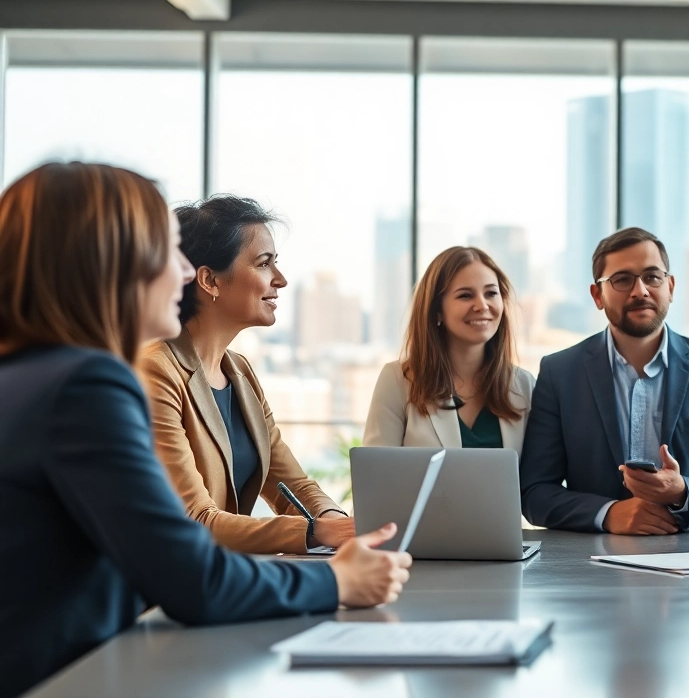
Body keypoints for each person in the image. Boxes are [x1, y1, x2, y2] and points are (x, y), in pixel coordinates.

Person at [0, 163, 411, 698]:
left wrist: (336, 524)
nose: (184, 272)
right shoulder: (88, 386)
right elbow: (192, 577)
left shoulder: (29, 376)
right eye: (169, 250)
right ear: (112, 263)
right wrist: (338, 579)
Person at [140, 196, 353, 555]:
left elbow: (293, 484)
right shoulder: (156, 371)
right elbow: (194, 519)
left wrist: (340, 523)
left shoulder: (240, 371)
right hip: (166, 589)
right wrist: (315, 533)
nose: (280, 280)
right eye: (264, 263)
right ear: (209, 280)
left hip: (225, 574)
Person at [520, 227, 689, 534]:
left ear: (671, 287)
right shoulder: (560, 373)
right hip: (590, 566)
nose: (640, 291)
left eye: (652, 276)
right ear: (597, 295)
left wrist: (683, 493)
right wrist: (608, 514)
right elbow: (534, 493)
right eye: (622, 280)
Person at [364, 246, 534, 453]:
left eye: (491, 293)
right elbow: (376, 477)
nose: (482, 305)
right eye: (465, 296)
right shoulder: (397, 381)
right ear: (437, 311)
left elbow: (536, 480)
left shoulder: (524, 386)